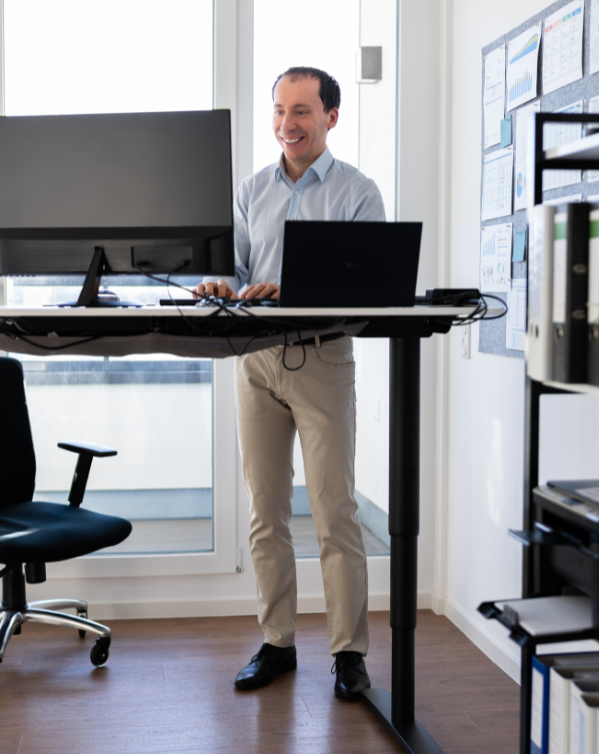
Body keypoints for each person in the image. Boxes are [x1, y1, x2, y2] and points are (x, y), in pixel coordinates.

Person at [195, 66, 384, 701]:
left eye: (301, 111)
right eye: (279, 111)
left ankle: (349, 654)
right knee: (265, 511)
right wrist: (223, 283)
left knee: (335, 511)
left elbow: (369, 291)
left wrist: (297, 293)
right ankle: (277, 641)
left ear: (332, 117)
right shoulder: (251, 191)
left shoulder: (359, 193)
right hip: (257, 361)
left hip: (323, 361)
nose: (287, 124)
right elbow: (238, 268)